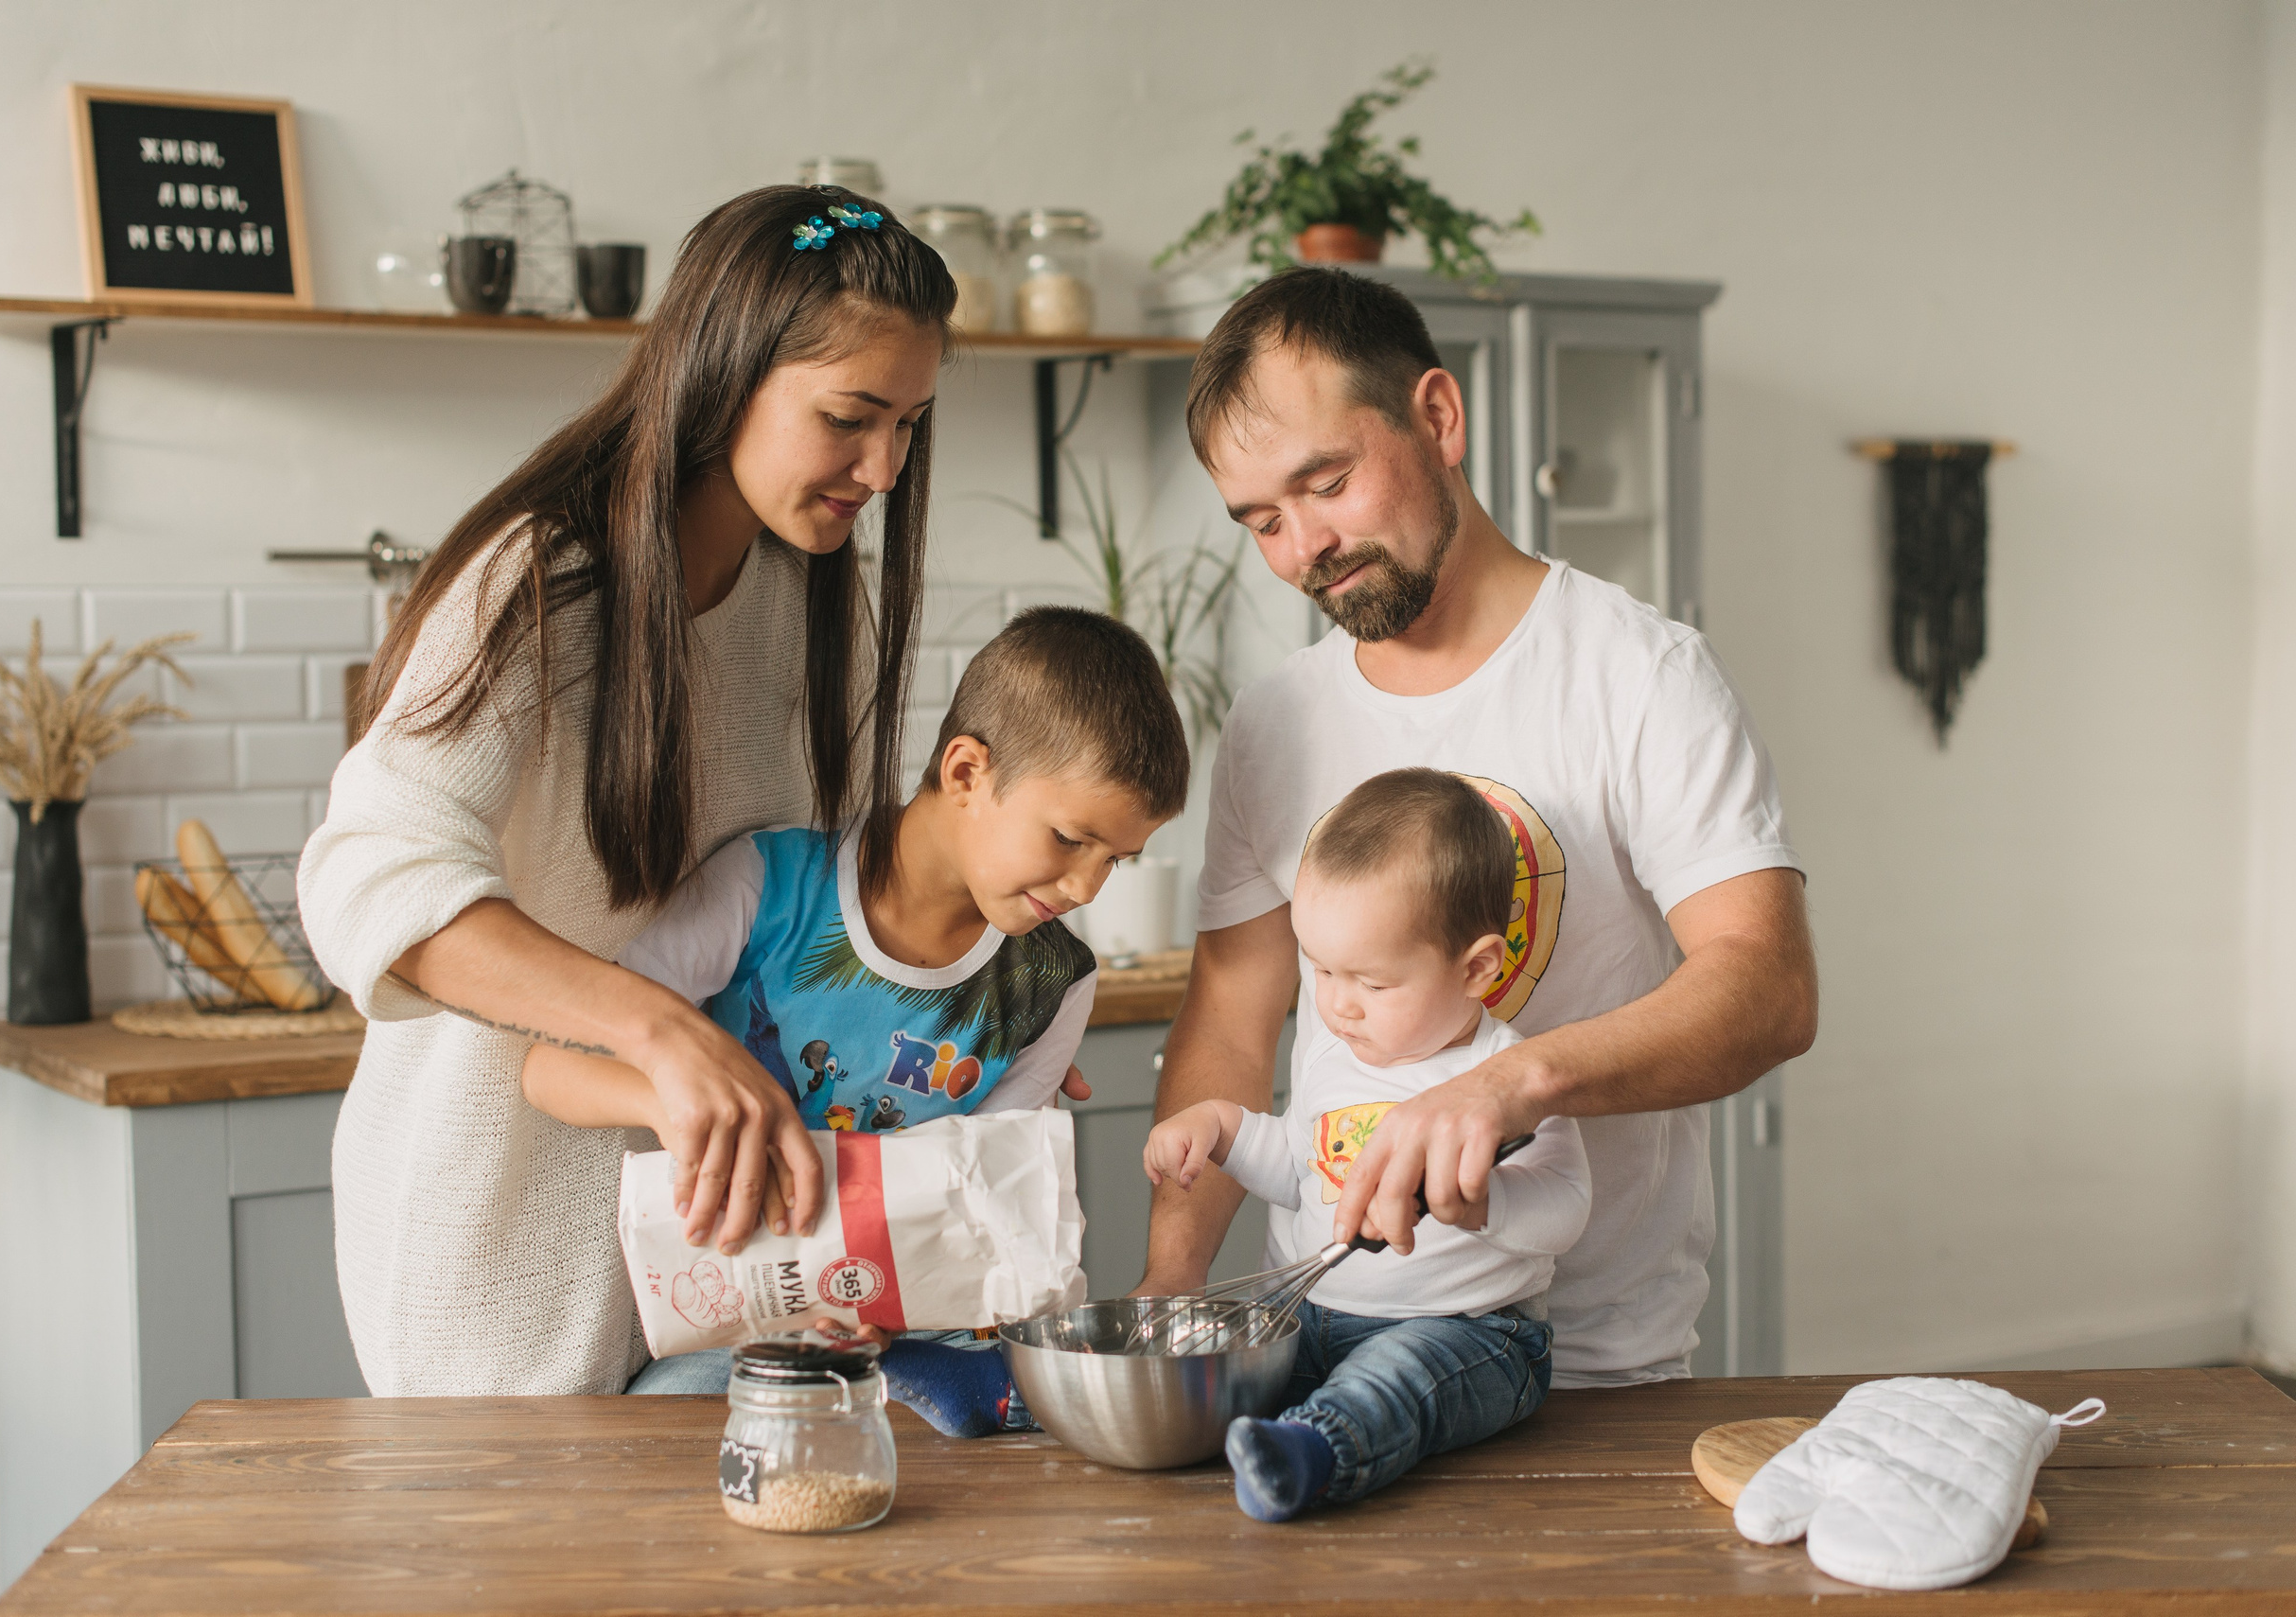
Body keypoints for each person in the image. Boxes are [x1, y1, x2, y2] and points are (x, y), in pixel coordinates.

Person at [299, 186, 966, 1397]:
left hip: (711, 1243)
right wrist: (655, 1027)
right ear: (726, 376)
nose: (883, 466)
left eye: (910, 424)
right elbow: (371, 872)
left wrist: (964, 998)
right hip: (496, 1242)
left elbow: (811, 909)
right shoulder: (540, 580)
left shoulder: (817, 605)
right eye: (849, 417)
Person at [1142, 267, 1817, 1387]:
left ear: (1438, 418)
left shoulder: (1638, 675)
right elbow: (1230, 1015)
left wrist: (1511, 1083)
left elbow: (1767, 986)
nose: (1303, 544)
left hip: (1588, 1363)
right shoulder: (1274, 723)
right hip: (1321, 1336)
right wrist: (1172, 1289)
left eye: (1327, 482)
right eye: (1262, 519)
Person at [524, 606, 1191, 1428]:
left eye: (1115, 860)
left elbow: (991, 1207)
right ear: (966, 773)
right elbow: (547, 1064)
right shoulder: (766, 890)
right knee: (660, 1422)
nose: (1087, 888)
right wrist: (669, 1099)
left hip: (926, 1332)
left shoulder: (1053, 979)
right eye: (1067, 839)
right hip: (741, 1318)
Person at [1145, 768, 1588, 1520]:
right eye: (1319, 969)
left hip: (1465, 1333)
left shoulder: (1504, 1074)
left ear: (1477, 966)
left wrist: (1486, 1204)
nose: (1338, 1003)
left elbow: (1567, 1210)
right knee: (1208, 1372)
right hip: (1308, 1320)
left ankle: (1315, 1454)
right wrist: (1221, 1127)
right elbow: (1301, 1169)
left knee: (1394, 1380)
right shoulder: (1333, 1054)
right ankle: (1013, 1395)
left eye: (1373, 983)